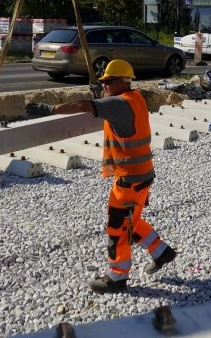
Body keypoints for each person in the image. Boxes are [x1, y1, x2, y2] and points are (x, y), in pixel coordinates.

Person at [25, 59, 176, 294]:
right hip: (143, 175)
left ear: (122, 81)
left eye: (108, 81)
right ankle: (161, 251)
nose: (104, 85)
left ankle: (117, 278)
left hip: (129, 180)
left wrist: (51, 109)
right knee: (131, 221)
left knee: (118, 227)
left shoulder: (118, 103)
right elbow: (108, 106)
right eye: (103, 82)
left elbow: (84, 105)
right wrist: (104, 98)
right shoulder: (135, 99)